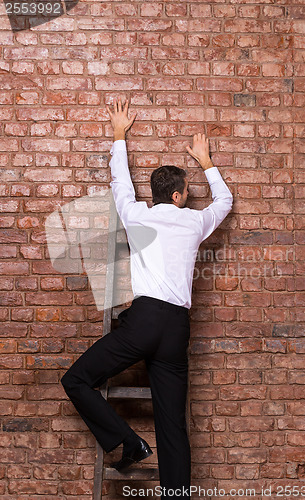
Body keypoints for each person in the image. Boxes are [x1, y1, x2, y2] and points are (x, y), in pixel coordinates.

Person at [61, 97, 233, 499]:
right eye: (188, 191)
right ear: (177, 197)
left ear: (157, 195)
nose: (189, 197)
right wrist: (207, 162)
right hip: (176, 329)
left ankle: (128, 442)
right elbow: (224, 202)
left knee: (76, 379)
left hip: (144, 322)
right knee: (172, 423)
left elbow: (119, 181)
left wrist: (119, 134)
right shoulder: (193, 222)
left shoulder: (136, 215)